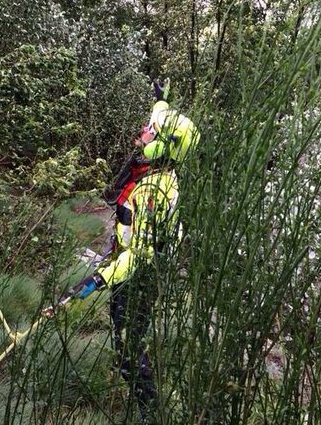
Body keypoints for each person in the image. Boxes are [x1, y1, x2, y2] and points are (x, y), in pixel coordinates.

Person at [65, 92, 199, 422]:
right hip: (129, 267)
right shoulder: (150, 171)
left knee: (129, 346)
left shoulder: (153, 190)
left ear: (163, 145)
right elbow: (160, 115)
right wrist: (161, 100)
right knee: (122, 329)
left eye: (150, 129)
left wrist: (98, 278)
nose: (143, 130)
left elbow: (141, 253)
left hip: (139, 274)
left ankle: (149, 412)